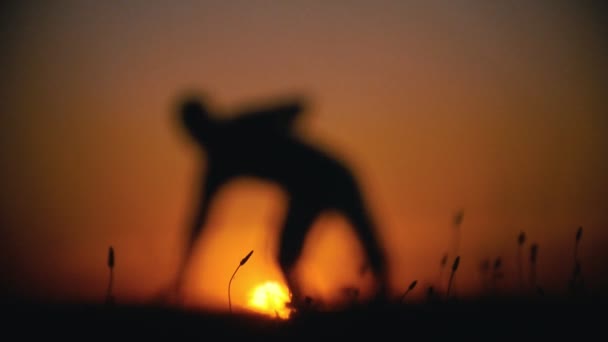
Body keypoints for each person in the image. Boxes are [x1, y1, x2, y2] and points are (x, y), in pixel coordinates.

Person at [174, 94, 389, 308]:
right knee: (286, 256)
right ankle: (305, 307)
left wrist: (271, 129)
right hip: (305, 190)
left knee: (368, 242)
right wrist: (181, 278)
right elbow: (199, 222)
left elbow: (297, 105)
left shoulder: (240, 129)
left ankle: (384, 301)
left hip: (332, 175)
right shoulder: (218, 165)